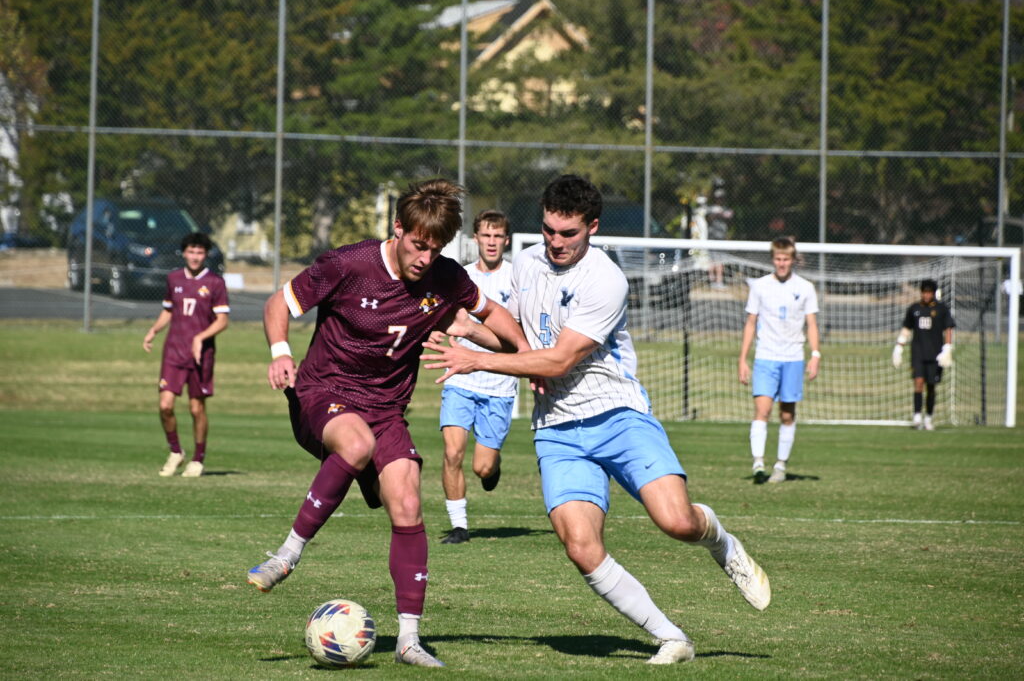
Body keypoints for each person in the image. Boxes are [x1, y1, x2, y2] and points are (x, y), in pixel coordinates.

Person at [422, 174, 770, 666]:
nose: (556, 242)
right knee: (581, 547)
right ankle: (672, 637)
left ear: (593, 227)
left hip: (617, 415)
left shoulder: (606, 279)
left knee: (676, 521)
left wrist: (476, 359)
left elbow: (559, 360)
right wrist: (468, 328)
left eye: (569, 234)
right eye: (548, 230)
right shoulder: (526, 262)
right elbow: (518, 338)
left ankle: (719, 538)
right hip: (558, 431)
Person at [246, 178, 527, 668]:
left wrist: (518, 354)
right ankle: (287, 554)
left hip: (386, 407)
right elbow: (278, 304)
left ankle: (408, 641)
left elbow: (500, 326)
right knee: (354, 445)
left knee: (408, 498)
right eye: (419, 244)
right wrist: (280, 353)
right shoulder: (348, 264)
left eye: (436, 248)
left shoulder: (446, 279)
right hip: (323, 391)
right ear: (398, 229)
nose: (425, 257)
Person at [436, 210, 517, 544]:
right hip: (460, 377)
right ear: (476, 239)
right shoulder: (460, 276)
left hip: (499, 382)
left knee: (482, 467)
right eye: (486, 235)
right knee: (452, 452)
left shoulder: (517, 278)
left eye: (498, 236)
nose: (492, 242)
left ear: (506, 240)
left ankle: (492, 468)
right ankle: (459, 526)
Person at [143, 232, 230, 478]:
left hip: (201, 355)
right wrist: (154, 330)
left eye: (200, 252)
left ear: (206, 255)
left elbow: (223, 320)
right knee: (165, 405)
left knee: (195, 408)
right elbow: (168, 311)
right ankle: (175, 451)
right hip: (173, 351)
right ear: (184, 253)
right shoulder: (173, 279)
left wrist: (200, 338)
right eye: (191, 252)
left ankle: (198, 459)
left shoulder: (215, 283)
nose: (195, 257)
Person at [738, 236, 820, 484]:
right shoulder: (760, 286)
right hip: (766, 357)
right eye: (777, 259)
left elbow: (812, 324)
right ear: (772, 259)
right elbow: (750, 323)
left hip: (793, 358)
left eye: (786, 259)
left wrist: (815, 354)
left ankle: (781, 466)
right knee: (762, 410)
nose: (781, 263)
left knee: (787, 415)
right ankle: (758, 463)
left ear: (793, 260)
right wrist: (743, 359)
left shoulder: (805, 287)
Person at [892, 279, 955, 430]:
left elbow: (948, 329)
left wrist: (947, 348)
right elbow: (907, 329)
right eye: (924, 292)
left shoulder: (941, 309)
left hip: (935, 354)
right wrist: (898, 348)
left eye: (929, 292)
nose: (926, 295)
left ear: (933, 293)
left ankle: (929, 418)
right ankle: (917, 417)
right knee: (918, 382)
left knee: (931, 386)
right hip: (918, 353)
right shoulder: (914, 309)